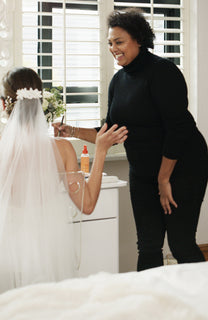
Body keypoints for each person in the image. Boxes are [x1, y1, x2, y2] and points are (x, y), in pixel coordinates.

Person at [0, 67, 127, 318]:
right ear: (40, 103)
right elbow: (87, 205)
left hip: (2, 256)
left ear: (3, 104)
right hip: (46, 255)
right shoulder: (63, 149)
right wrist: (100, 151)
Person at [54, 8, 208, 272]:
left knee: (181, 243)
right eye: (110, 43)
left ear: (138, 39)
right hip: (143, 171)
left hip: (182, 167)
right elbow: (110, 132)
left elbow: (178, 129)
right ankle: (148, 305)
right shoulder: (118, 80)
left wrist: (163, 179)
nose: (113, 48)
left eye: (119, 42)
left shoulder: (163, 72)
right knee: (148, 245)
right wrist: (73, 130)